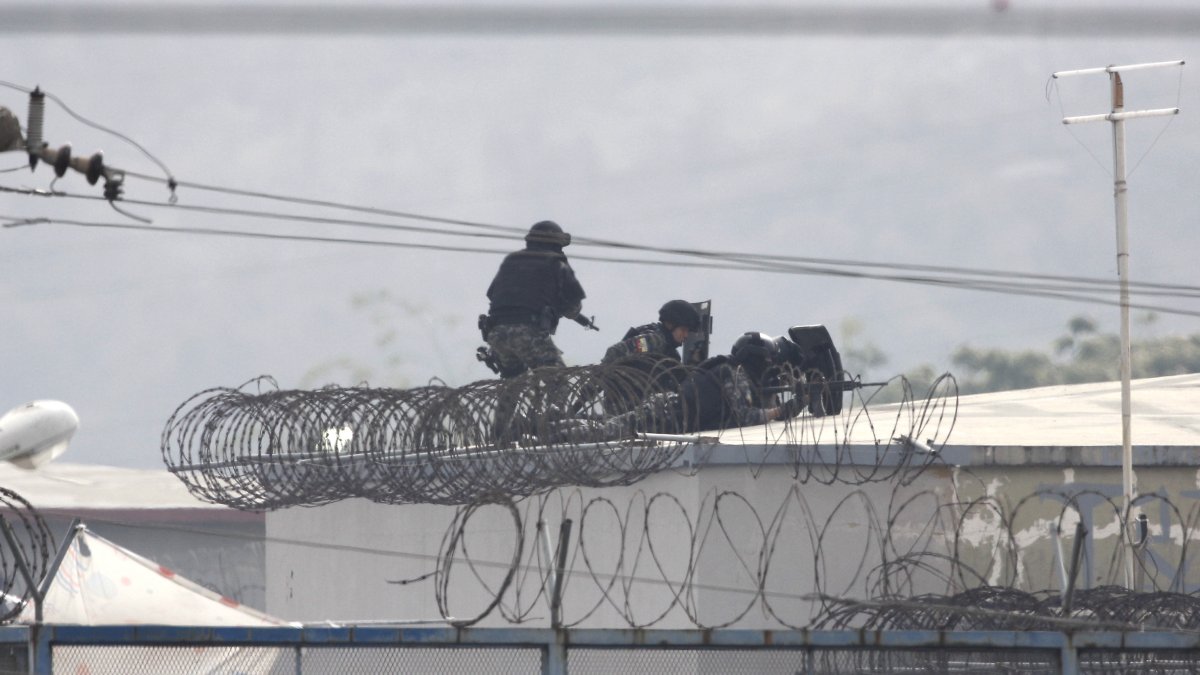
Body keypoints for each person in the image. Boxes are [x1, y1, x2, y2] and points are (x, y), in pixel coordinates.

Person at [479, 220, 586, 379]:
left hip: (496, 334)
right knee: (558, 381)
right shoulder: (556, 262)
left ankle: (507, 403)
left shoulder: (511, 260)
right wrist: (569, 312)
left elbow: (491, 294)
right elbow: (572, 306)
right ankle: (557, 403)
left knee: (513, 382)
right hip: (527, 332)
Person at [601, 300, 702, 366]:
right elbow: (616, 351)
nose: (686, 335)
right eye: (683, 330)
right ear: (670, 324)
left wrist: (693, 363)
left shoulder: (671, 354)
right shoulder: (653, 341)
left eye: (688, 331)